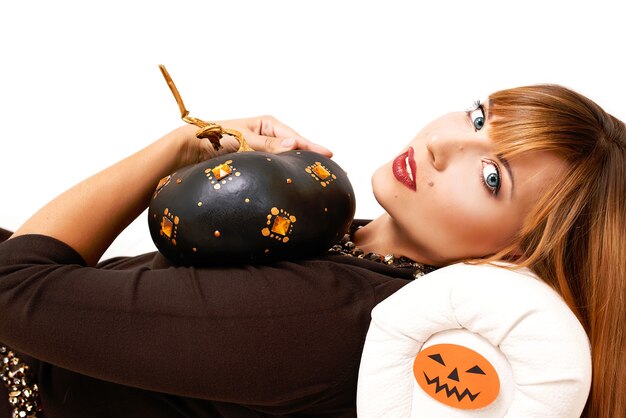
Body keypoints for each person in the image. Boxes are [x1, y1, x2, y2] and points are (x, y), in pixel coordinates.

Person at [0, 84, 623, 417]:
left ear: (521, 256)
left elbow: (14, 290)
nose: (445, 145)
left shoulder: (337, 321)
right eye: (479, 116)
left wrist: (181, 145)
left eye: (493, 178)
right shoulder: (359, 241)